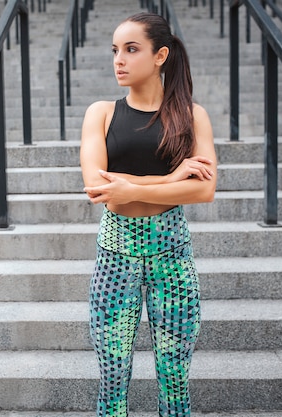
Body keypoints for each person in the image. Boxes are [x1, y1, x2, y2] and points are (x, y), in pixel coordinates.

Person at [79, 11, 217, 417]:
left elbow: (204, 189)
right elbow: (100, 188)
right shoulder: (101, 113)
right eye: (115, 50)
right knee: (112, 378)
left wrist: (133, 186)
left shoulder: (192, 115)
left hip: (171, 254)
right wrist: (172, 178)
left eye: (131, 49)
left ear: (161, 56)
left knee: (175, 380)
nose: (119, 59)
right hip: (115, 254)